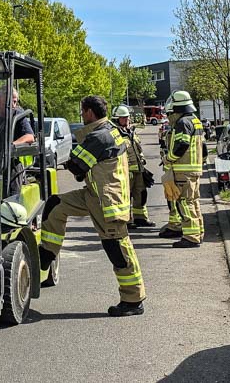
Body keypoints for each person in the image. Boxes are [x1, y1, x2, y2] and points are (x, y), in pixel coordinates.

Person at [40, 96, 145, 316]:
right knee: (56, 205)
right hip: (94, 195)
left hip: (107, 201)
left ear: (89, 112)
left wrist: (78, 166)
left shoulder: (100, 136)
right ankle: (47, 255)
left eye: (82, 111)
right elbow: (81, 168)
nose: (81, 114)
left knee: (117, 249)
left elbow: (76, 165)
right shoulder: (109, 129)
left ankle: (133, 300)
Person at [159, 90, 206, 248]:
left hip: (183, 171)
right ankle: (197, 233)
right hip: (194, 171)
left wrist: (169, 158)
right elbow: (204, 148)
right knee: (193, 202)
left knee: (184, 203)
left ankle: (191, 237)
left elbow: (182, 144)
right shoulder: (195, 121)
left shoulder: (182, 123)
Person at [113, 106, 154, 228]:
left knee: (140, 194)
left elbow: (137, 148)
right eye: (123, 118)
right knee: (126, 196)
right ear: (116, 119)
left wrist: (142, 159)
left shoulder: (130, 131)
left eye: (127, 117)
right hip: (126, 171)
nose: (127, 119)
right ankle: (127, 220)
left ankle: (140, 218)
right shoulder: (115, 134)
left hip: (138, 169)